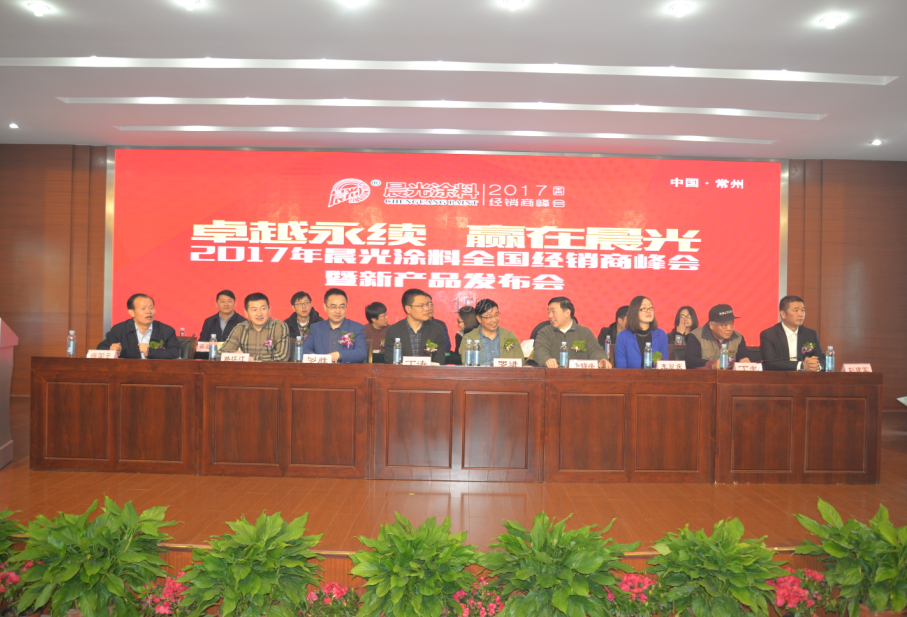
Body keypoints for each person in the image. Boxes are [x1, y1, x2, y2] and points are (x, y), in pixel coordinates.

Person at [535, 297, 611, 369]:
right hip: (554, 374)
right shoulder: (545, 332)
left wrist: (601, 359)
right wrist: (547, 360)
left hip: (580, 375)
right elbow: (540, 351)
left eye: (553, 312)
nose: (550, 316)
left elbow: (596, 351)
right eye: (548, 312)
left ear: (567, 313)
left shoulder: (584, 332)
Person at [97, 293, 180, 359]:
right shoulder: (119, 330)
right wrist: (111, 351)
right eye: (143, 309)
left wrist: (151, 352)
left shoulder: (166, 331)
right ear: (132, 312)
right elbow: (100, 349)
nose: (148, 311)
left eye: (151, 308)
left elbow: (176, 352)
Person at [760, 295, 825, 371]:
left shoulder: (810, 334)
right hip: (780, 377)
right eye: (796, 310)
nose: (801, 314)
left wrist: (816, 365)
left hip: (805, 377)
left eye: (803, 310)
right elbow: (770, 363)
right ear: (783, 314)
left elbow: (821, 359)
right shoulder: (769, 335)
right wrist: (801, 365)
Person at [383, 288, 448, 364]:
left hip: (429, 371)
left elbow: (439, 360)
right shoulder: (394, 330)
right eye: (421, 306)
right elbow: (390, 361)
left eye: (427, 305)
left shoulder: (436, 329)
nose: (427, 309)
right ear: (408, 309)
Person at [220, 292, 290, 362]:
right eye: (254, 309)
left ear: (269, 310)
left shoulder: (279, 327)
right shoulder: (240, 328)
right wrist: (234, 355)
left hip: (271, 368)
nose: (259, 314)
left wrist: (250, 358)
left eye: (263, 308)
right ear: (246, 313)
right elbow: (220, 354)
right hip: (247, 368)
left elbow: (283, 356)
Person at [302, 288, 367, 363]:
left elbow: (361, 353)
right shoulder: (316, 328)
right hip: (321, 369)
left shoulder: (356, 328)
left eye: (342, 307)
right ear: (325, 307)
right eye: (333, 307)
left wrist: (339, 355)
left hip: (346, 370)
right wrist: (316, 358)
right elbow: (304, 349)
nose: (338, 311)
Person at [458, 299, 525, 365]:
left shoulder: (509, 336)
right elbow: (468, 366)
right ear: (479, 319)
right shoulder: (469, 338)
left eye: (496, 315)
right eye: (489, 317)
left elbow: (520, 362)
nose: (494, 320)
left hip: (505, 372)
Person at [686, 304, 751, 369]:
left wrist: (745, 360)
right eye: (724, 325)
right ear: (711, 325)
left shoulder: (738, 337)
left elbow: (743, 356)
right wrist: (712, 365)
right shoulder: (696, 336)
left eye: (731, 323)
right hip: (705, 375)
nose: (729, 328)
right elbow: (690, 360)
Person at [615, 296, 669, 368]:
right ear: (634, 312)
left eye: (650, 308)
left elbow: (664, 366)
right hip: (631, 375)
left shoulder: (661, 335)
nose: (648, 311)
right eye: (644, 308)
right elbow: (621, 368)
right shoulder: (623, 336)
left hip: (656, 375)